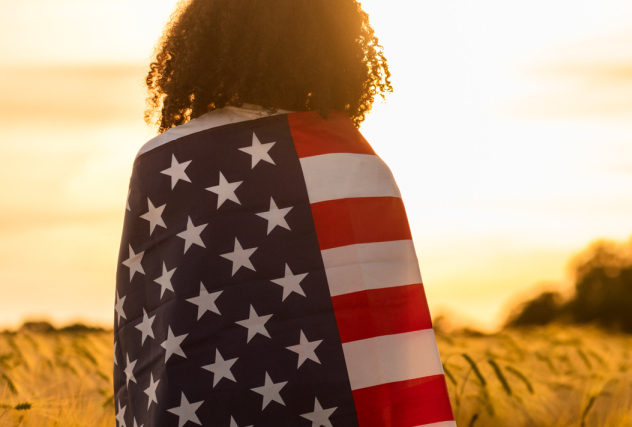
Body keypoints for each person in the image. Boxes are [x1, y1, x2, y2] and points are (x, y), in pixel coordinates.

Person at [113, 1, 454, 426]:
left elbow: (145, 331)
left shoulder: (162, 161)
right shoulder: (357, 163)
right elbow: (389, 345)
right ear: (334, 43)